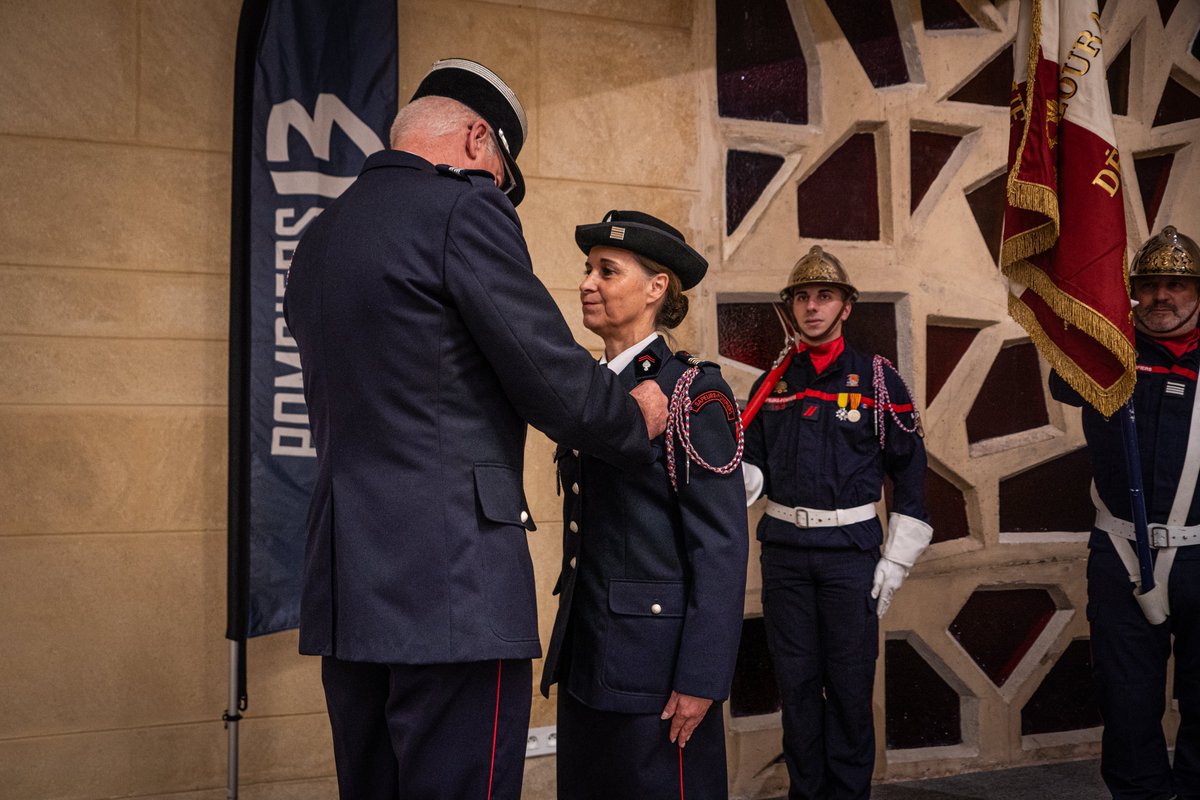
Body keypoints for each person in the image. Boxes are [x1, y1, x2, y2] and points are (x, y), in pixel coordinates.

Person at [283, 60, 668, 800]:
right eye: (499, 168)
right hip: (451, 581)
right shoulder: (462, 210)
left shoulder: (322, 236)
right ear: (474, 136)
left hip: (345, 583)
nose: (498, 186)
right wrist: (632, 415)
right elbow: (548, 372)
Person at [539, 210, 749, 798]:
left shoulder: (694, 392)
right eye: (587, 270)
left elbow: (721, 546)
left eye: (607, 271)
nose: (587, 283)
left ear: (657, 288)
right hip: (590, 655)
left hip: (658, 671)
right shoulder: (590, 391)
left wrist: (702, 677)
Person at [742, 246, 932, 800]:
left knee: (849, 690)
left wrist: (897, 558)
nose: (812, 306)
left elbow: (911, 470)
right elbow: (747, 463)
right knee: (797, 691)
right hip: (784, 557)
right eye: (802, 297)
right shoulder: (771, 383)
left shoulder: (876, 380)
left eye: (824, 296)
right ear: (791, 308)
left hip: (851, 557)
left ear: (846, 307)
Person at [1050, 225, 1200, 800]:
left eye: (1177, 285)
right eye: (1148, 285)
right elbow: (1056, 353)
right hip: (1120, 555)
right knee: (1126, 703)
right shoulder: (1101, 355)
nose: (1161, 296)